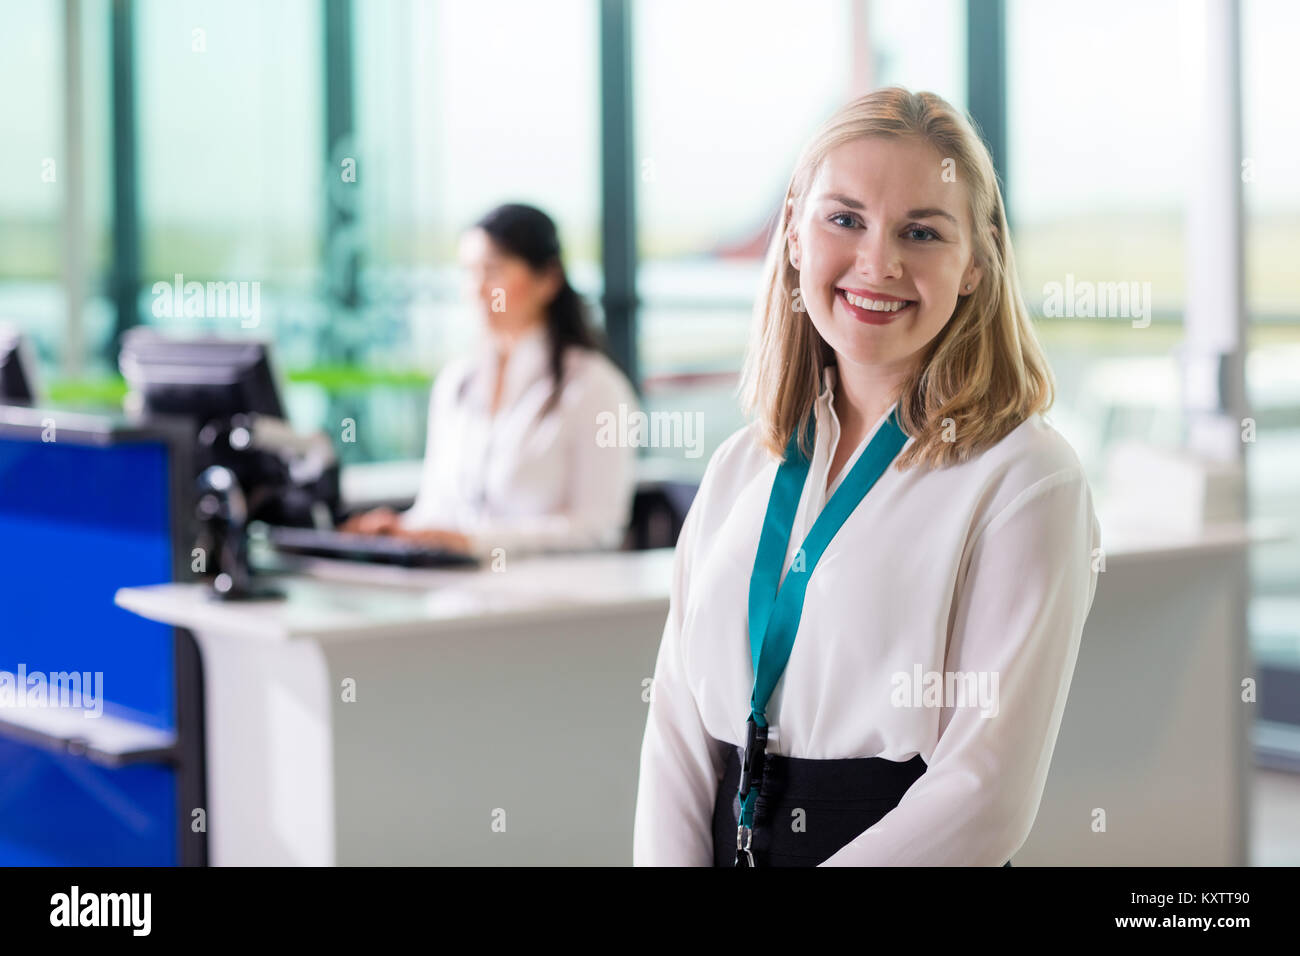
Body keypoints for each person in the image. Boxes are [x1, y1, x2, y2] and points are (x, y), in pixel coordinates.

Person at [631, 87, 1102, 867]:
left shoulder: (1026, 477)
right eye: (844, 219)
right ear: (792, 234)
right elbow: (676, 731)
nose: (878, 263)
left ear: (977, 264)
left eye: (922, 232)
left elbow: (984, 792)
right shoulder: (743, 464)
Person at [341, 203, 639, 559]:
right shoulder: (456, 383)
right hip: (452, 600)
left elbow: (598, 531)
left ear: (548, 279)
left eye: (493, 272)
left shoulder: (595, 387)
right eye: (469, 273)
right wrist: (399, 529)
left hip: (546, 603)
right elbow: (438, 510)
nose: (477, 290)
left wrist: (474, 543)